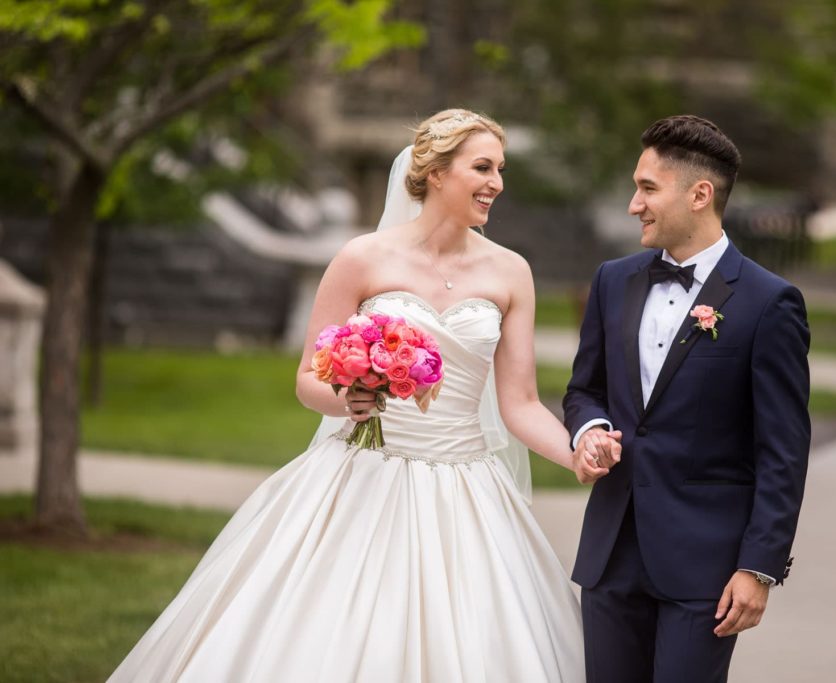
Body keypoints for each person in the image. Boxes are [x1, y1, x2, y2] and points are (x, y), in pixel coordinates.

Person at [110, 109, 587, 682]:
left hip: (465, 483)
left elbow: (522, 404)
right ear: (435, 172)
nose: (497, 183)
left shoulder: (512, 272)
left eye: (500, 169)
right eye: (482, 167)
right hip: (363, 474)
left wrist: (576, 452)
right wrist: (349, 399)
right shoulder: (362, 257)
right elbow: (309, 379)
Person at [563, 114, 811, 682]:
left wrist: (759, 566)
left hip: (707, 569)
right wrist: (590, 430)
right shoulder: (612, 280)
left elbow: (784, 451)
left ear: (700, 194)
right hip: (612, 553)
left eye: (647, 188)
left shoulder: (770, 303)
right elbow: (584, 389)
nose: (634, 204)